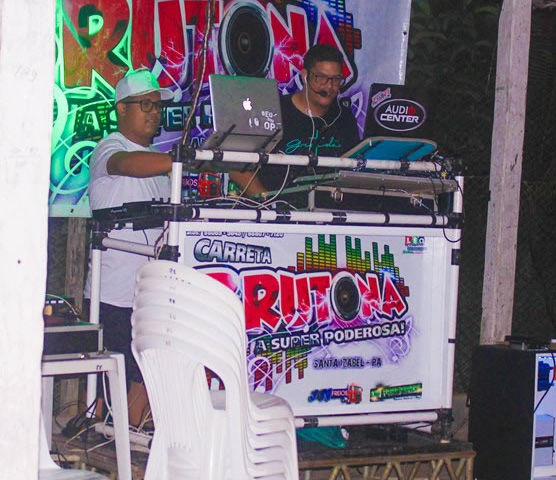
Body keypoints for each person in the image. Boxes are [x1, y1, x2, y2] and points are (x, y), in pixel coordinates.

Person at [87, 69, 262, 429]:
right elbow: (126, 165)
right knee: (122, 384)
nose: (154, 113)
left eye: (157, 106)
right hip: (114, 294)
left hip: (152, 291)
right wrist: (187, 159)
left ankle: (141, 441)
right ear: (121, 109)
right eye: (145, 105)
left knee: (148, 376)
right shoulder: (111, 147)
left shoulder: (163, 163)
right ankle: (119, 442)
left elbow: (250, 188)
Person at [257, 44, 362, 192]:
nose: (329, 86)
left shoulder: (344, 118)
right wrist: (266, 201)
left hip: (328, 204)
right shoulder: (274, 112)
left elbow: (353, 170)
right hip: (277, 204)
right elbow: (239, 168)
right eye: (321, 78)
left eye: (336, 79)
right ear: (305, 76)